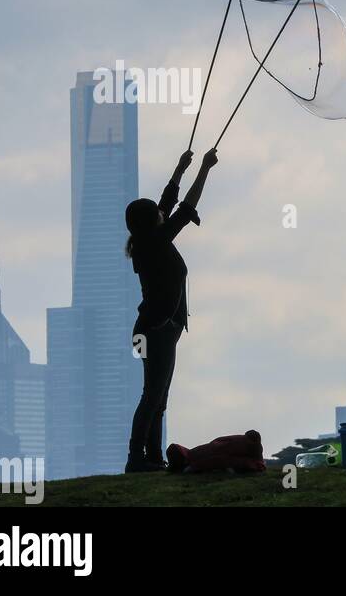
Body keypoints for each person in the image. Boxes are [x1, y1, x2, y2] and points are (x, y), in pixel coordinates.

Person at [124, 148, 218, 473]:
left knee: (157, 397)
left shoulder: (149, 239)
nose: (163, 214)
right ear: (153, 223)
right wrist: (205, 168)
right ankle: (137, 459)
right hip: (156, 330)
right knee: (152, 396)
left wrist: (180, 168)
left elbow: (167, 202)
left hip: (152, 329)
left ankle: (151, 459)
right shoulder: (156, 241)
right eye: (158, 215)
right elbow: (186, 206)